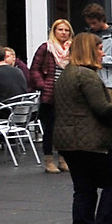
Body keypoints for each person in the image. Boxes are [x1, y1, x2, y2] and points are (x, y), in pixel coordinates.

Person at [53, 29, 112, 224]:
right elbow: (102, 108)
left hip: (68, 141)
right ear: (89, 50)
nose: (102, 53)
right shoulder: (87, 76)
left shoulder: (66, 74)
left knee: (84, 189)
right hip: (91, 141)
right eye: (99, 49)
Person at [28, 18, 74, 175]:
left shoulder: (73, 48)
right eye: (60, 29)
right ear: (54, 31)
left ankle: (63, 159)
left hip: (68, 94)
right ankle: (49, 161)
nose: (63, 33)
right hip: (50, 95)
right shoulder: (46, 48)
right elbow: (34, 69)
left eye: (66, 30)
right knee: (50, 129)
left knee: (66, 129)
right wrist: (43, 85)